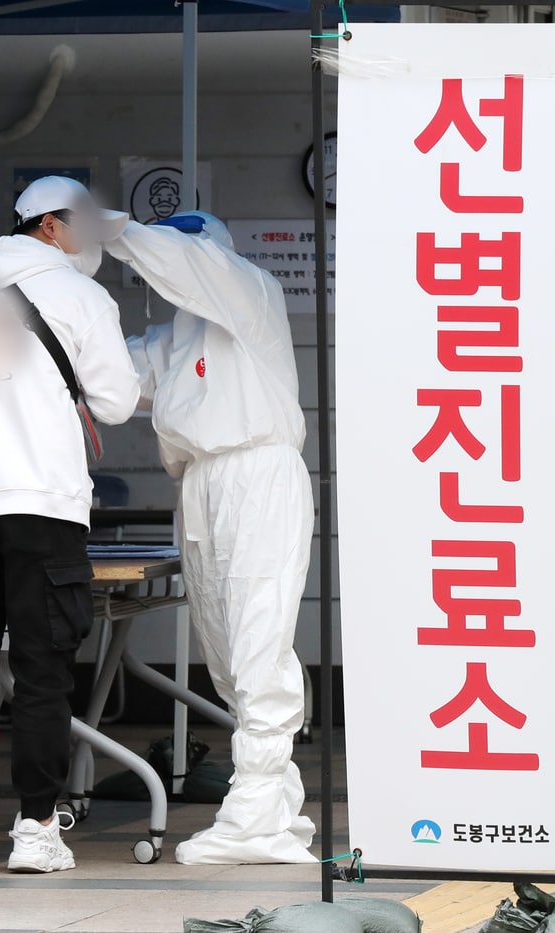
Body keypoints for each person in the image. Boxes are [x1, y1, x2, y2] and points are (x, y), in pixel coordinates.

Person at [0, 176, 141, 872]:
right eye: (88, 228)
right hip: (41, 506)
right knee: (42, 672)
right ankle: (37, 828)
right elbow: (120, 399)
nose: (94, 242)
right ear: (48, 225)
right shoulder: (80, 296)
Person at [105, 212, 316, 865]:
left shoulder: (250, 294)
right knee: (227, 654)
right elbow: (109, 377)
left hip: (257, 472)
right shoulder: (174, 340)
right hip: (201, 485)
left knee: (258, 640)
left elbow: (195, 265)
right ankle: (274, 803)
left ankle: (253, 809)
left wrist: (109, 228)